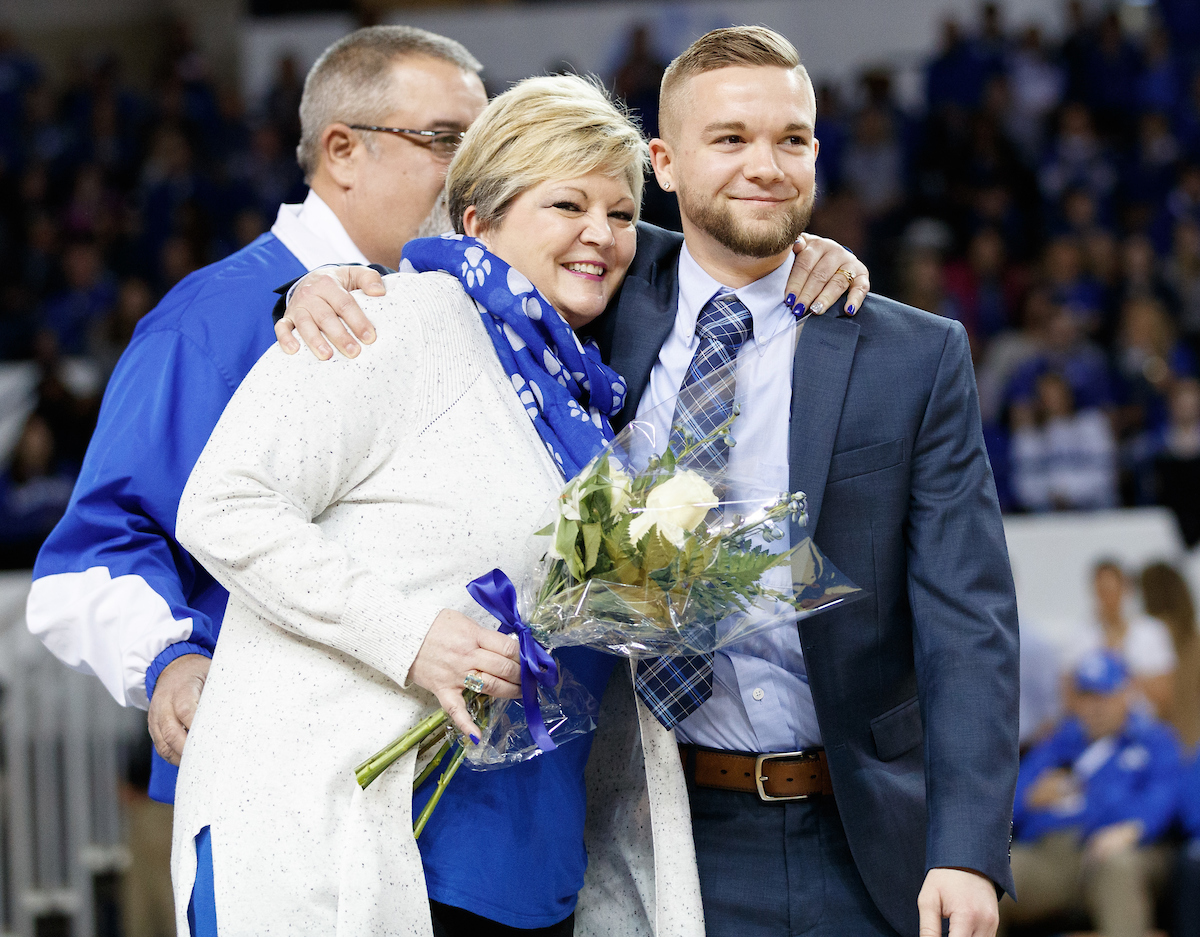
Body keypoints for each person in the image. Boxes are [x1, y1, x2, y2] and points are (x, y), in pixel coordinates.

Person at [281, 26, 1019, 937]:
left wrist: (968, 847)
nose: (768, 166)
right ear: (663, 163)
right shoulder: (595, 295)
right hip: (659, 830)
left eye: (792, 139)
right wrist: (321, 286)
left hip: (866, 832)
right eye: (731, 139)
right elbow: (462, 277)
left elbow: (969, 619)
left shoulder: (912, 352)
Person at [172, 74, 691, 937]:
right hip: (359, 844)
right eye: (567, 204)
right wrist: (408, 635)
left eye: (623, 212)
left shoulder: (582, 392)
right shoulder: (385, 319)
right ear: (478, 220)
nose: (602, 234)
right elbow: (223, 503)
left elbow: (730, 240)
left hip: (529, 862)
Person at [24, 26, 490, 803]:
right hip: (268, 787)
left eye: (487, 144)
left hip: (435, 795)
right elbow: (87, 561)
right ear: (342, 150)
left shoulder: (460, 311)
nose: (477, 174)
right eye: (446, 140)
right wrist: (169, 662)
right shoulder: (211, 321)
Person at [1001, 650, 1181, 937]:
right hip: (1049, 855)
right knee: (992, 872)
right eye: (1087, 696)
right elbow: (1009, 802)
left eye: (1104, 695)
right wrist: (1030, 798)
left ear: (1126, 693)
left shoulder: (1153, 739)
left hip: (1113, 850)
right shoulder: (1061, 740)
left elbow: (1166, 796)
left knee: (1117, 868)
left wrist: (1133, 828)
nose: (1095, 707)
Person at [1069, 559, 1177, 718]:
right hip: (1095, 728)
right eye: (1102, 591)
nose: (1108, 599)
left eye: (1113, 590)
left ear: (1126, 589)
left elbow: (1165, 695)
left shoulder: (1151, 632)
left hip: (1144, 726)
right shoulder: (1080, 636)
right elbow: (1070, 697)